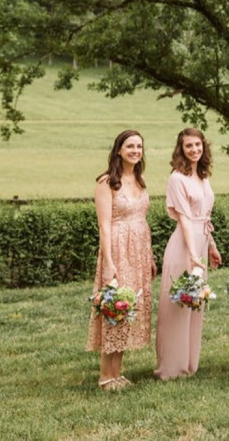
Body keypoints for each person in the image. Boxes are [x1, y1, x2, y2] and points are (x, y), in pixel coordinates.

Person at [87, 130, 156, 391]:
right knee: (115, 306)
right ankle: (106, 375)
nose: (135, 151)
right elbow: (104, 226)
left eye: (139, 146)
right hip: (117, 248)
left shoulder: (139, 180)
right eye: (130, 146)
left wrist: (148, 256)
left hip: (139, 249)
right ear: (119, 150)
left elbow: (143, 220)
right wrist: (109, 263)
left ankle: (118, 372)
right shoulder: (107, 182)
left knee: (129, 310)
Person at [155, 128, 222, 380]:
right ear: (180, 150)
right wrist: (193, 255)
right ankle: (172, 367)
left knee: (194, 302)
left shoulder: (202, 176)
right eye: (188, 146)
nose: (194, 149)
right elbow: (184, 218)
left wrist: (211, 246)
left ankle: (190, 363)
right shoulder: (177, 178)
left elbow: (203, 216)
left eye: (197, 145)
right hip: (185, 244)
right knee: (178, 302)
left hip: (201, 241)